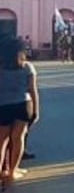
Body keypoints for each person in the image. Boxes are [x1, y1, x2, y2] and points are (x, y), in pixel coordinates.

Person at [0, 37, 38, 183]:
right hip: (23, 105)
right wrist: (36, 110)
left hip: (3, 106)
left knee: (1, 141)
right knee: (18, 139)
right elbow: (33, 90)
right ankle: (12, 171)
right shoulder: (27, 67)